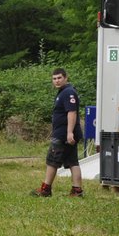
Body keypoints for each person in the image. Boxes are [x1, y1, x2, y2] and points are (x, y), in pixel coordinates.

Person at [34, 67, 83, 198]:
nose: (57, 81)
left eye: (59, 78)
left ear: (66, 78)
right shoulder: (64, 92)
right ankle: (77, 190)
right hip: (65, 133)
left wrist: (69, 133)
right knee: (73, 161)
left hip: (64, 135)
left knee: (52, 160)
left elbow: (72, 113)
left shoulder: (68, 92)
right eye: (54, 79)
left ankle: (45, 189)